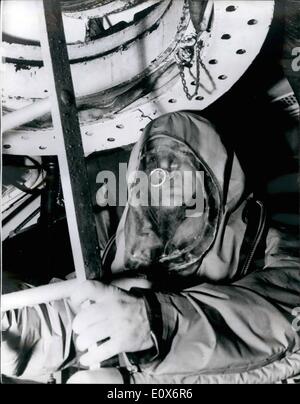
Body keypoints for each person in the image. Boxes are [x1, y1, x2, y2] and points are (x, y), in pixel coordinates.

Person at [2, 112, 300, 384]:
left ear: (213, 175)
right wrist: (19, 327)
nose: (164, 172)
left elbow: (279, 315)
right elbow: (79, 308)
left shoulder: (269, 239)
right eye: (153, 163)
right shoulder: (121, 242)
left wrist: (159, 323)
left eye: (179, 161)